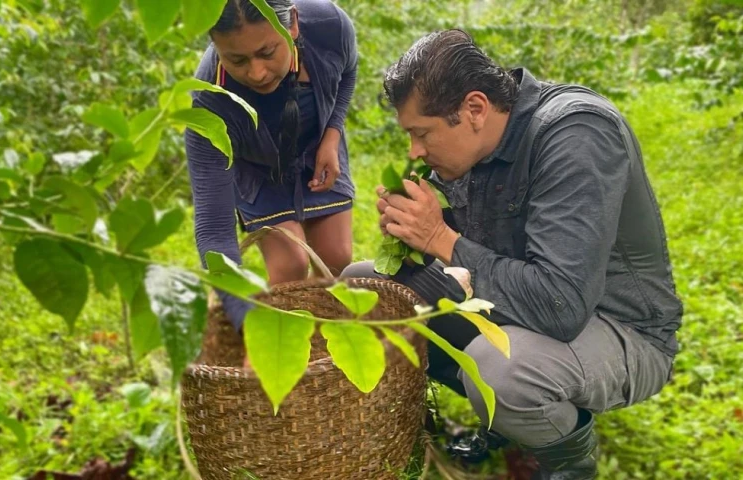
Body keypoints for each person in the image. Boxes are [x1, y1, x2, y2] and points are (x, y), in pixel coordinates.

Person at [342, 29, 682, 479]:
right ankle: (505, 421)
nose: (415, 151)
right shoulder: (471, 149)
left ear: (474, 109)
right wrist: (412, 238)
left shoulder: (577, 134)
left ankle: (568, 463)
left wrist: (439, 237)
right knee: (365, 289)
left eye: (422, 134)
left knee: (498, 368)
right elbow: (470, 255)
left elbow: (561, 307)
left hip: (620, 328)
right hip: (526, 308)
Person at [186, 0, 358, 331]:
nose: (257, 73)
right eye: (237, 60)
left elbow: (347, 71)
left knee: (336, 258)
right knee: (289, 267)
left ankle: (322, 343)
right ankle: (283, 336)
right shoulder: (209, 103)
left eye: (267, 53)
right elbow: (214, 231)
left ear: (292, 24)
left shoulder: (328, 26)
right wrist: (249, 326)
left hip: (315, 147)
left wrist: (332, 133)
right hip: (258, 170)